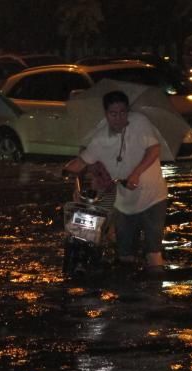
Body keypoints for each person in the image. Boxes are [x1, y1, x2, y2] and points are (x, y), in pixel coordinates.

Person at [63, 90, 168, 271]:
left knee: (153, 252)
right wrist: (64, 170)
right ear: (106, 114)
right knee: (125, 255)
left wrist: (136, 173)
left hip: (153, 197)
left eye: (123, 113)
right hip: (125, 204)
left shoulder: (139, 122)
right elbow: (81, 162)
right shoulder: (100, 139)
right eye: (113, 114)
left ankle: (156, 292)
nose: (119, 118)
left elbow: (154, 150)